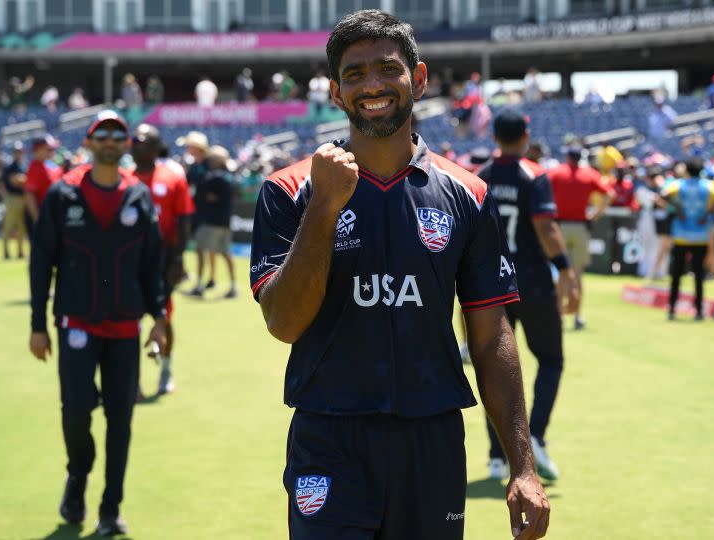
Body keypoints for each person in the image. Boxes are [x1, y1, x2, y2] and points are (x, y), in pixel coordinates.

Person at [249, 11, 549, 540]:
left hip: (430, 440)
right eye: (355, 74)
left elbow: (490, 333)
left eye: (388, 69)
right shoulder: (288, 190)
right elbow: (284, 323)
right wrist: (324, 206)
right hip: (328, 437)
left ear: (420, 78)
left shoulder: (468, 194)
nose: (373, 86)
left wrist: (521, 464)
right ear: (337, 95)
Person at [28, 111, 167, 536]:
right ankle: (78, 475)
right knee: (75, 413)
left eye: (118, 134)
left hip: (125, 327)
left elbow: (153, 266)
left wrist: (159, 320)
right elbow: (40, 263)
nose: (110, 140)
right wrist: (38, 323)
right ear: (88, 142)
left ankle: (110, 507)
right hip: (75, 324)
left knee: (121, 421)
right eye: (101, 133)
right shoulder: (61, 193)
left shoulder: (139, 196)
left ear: (126, 144)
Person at [476, 109, 580, 483]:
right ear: (525, 136)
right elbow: (546, 227)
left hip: (491, 287)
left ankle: (496, 457)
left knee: (493, 368)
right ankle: (534, 435)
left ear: (495, 136)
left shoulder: (480, 176)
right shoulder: (534, 175)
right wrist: (567, 271)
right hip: (533, 283)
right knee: (550, 360)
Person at [130, 123, 195, 396]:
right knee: (129, 321)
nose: (136, 145)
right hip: (129, 260)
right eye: (134, 141)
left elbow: (183, 220)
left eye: (143, 141)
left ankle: (165, 371)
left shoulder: (172, 178)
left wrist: (179, 259)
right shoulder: (123, 178)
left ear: (156, 149)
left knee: (163, 317)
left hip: (162, 261)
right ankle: (131, 380)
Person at [547, 143, 613, 330]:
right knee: (577, 274)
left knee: (561, 272)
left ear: (568, 157)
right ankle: (577, 315)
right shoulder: (590, 174)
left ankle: (558, 314)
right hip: (581, 227)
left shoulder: (556, 173)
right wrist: (595, 215)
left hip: (559, 227)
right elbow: (609, 194)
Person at [659, 158, 714, 320]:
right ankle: (698, 310)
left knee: (676, 275)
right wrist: (707, 213)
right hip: (700, 237)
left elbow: (663, 195)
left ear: (687, 170)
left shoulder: (680, 184)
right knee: (698, 275)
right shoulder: (708, 185)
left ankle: (672, 308)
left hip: (681, 236)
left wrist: (678, 209)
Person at [189, 145, 237, 298]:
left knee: (200, 250)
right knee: (225, 253)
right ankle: (232, 286)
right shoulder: (227, 176)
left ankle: (199, 286)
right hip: (224, 222)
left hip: (211, 222)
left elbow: (203, 191)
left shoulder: (214, 178)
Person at [24, 134, 63, 242]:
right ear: (39, 150)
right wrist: (38, 221)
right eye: (49, 149)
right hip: (43, 215)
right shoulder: (35, 167)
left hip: (51, 215)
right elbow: (29, 196)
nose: (52, 151)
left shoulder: (47, 165)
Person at [1, 142, 27, 259]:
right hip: (12, 199)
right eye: (17, 151)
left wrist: (22, 179)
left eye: (20, 151)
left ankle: (20, 252)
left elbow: (25, 181)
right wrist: (23, 180)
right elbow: (14, 181)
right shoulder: (10, 167)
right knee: (8, 225)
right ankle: (6, 251)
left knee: (22, 226)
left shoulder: (23, 166)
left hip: (23, 198)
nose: (19, 154)